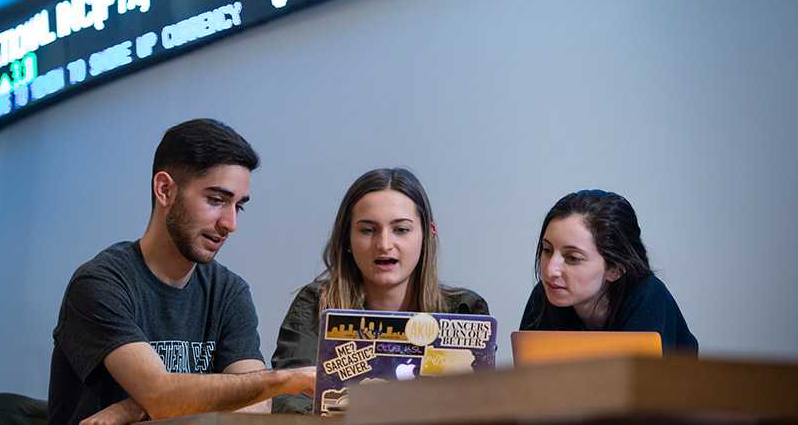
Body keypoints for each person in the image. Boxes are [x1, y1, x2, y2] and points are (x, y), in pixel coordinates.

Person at [48, 119, 315, 424]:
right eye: (216, 200)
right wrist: (282, 379)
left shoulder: (228, 291)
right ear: (165, 190)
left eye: (238, 206)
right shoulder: (100, 284)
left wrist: (135, 407)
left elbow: (255, 409)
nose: (230, 223)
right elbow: (161, 394)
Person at [271, 168, 490, 414]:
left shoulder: (464, 310)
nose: (384, 244)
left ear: (428, 234)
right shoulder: (316, 303)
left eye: (401, 230)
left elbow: (479, 407)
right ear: (347, 239)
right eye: (367, 230)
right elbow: (288, 399)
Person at [519, 189, 698, 355]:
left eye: (572, 258)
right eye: (547, 250)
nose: (550, 270)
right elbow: (529, 383)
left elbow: (639, 387)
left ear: (616, 269)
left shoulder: (648, 296)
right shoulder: (546, 294)